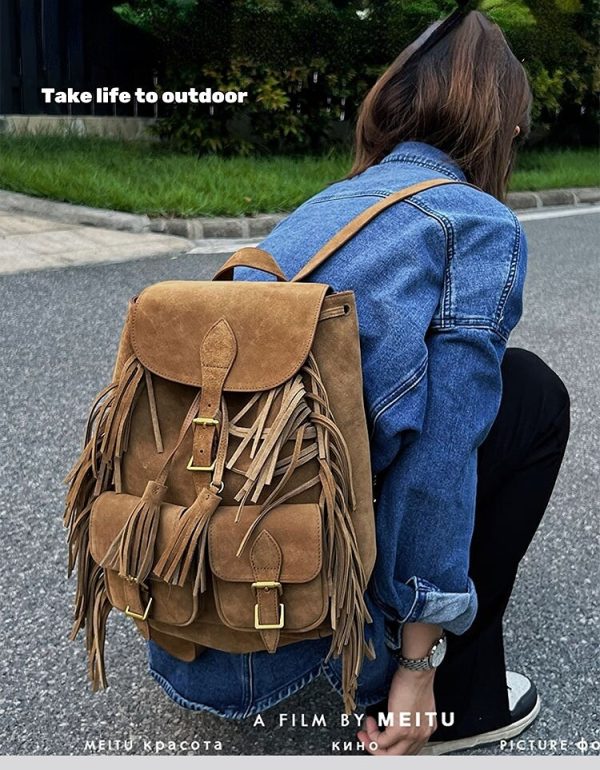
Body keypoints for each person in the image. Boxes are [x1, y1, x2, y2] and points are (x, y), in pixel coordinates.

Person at [148, 7, 570, 756]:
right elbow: (439, 466)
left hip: (195, 605)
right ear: (498, 123)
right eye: (518, 128)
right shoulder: (474, 224)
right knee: (532, 394)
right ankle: (459, 701)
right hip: (289, 624)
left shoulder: (330, 204)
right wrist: (416, 668)